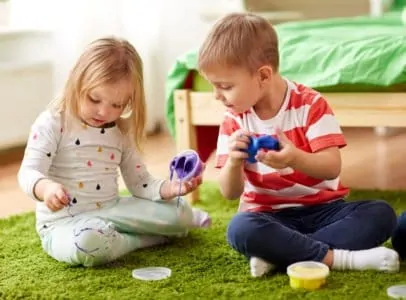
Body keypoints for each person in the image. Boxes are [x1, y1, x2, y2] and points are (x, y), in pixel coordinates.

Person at [197, 12, 398, 277]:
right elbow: (229, 192)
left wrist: (294, 158)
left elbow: (331, 168)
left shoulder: (311, 104)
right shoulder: (234, 119)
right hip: (268, 215)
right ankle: (341, 259)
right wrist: (234, 162)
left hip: (325, 210)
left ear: (264, 76)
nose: (217, 96)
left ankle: (281, 255)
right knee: (240, 228)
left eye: (225, 86)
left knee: (381, 214)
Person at [18, 37, 210, 267]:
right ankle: (141, 240)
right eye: (95, 99)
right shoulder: (53, 121)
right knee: (89, 243)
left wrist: (173, 188)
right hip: (63, 223)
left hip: (112, 210)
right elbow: (28, 171)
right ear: (76, 81)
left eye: (117, 105)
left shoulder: (120, 130)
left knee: (181, 213)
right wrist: (46, 188)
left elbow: (140, 183)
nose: (104, 112)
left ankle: (144, 232)